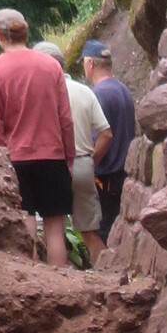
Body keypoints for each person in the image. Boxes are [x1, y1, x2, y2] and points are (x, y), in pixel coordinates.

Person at [0, 8, 73, 268]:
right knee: (55, 230)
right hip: (52, 156)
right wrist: (69, 157)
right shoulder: (51, 67)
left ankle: (31, 281)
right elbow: (65, 119)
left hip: (15, 161)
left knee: (26, 225)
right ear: (26, 32)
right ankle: (60, 283)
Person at [35, 38, 107, 264]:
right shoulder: (84, 91)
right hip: (82, 164)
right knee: (89, 232)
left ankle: (51, 278)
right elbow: (106, 133)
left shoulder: (37, 94)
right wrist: (91, 161)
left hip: (49, 165)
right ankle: (106, 274)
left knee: (48, 230)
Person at [83, 41, 137, 246]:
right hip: (124, 174)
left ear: (90, 64)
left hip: (105, 178)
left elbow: (101, 138)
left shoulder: (98, 95)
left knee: (104, 232)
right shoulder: (122, 89)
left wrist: (89, 166)